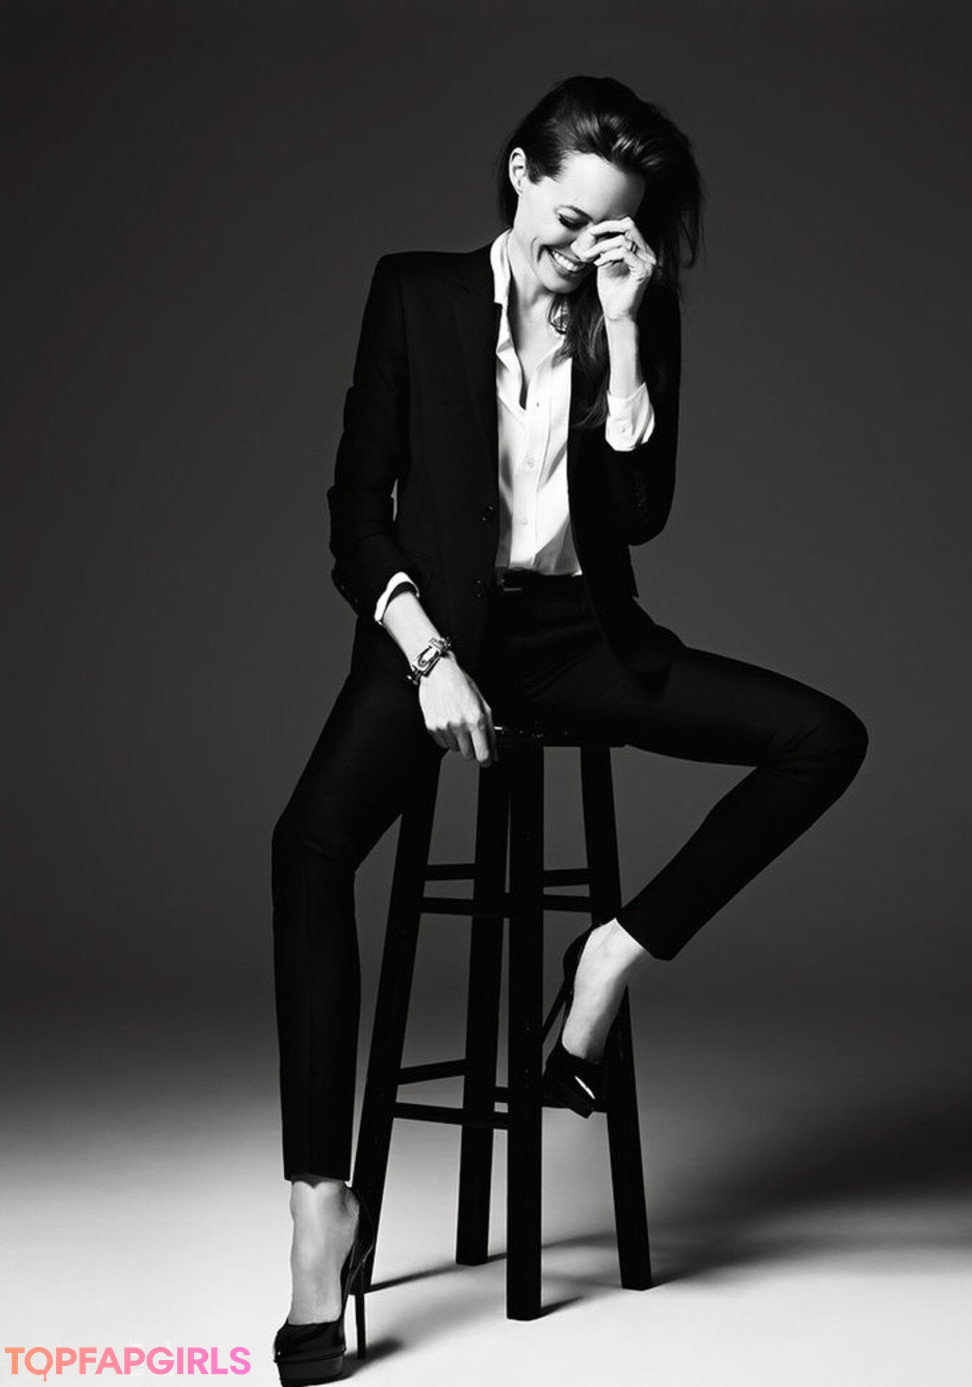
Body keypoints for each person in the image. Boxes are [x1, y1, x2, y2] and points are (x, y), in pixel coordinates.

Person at [271, 74, 869, 1383]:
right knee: (306, 847)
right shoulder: (415, 294)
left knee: (822, 737)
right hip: (435, 640)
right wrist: (427, 654)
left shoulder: (628, 311)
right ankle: (321, 1207)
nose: (582, 250)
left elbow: (642, 514)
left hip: (581, 643)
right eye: (568, 222)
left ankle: (604, 960)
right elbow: (354, 516)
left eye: (613, 232)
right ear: (520, 177)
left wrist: (629, 332)